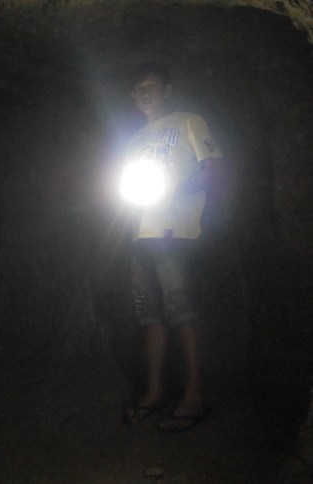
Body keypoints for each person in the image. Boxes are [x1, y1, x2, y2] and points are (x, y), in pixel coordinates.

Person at [121, 62, 225, 432]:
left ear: (167, 90)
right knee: (150, 316)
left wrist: (172, 192)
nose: (145, 93)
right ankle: (154, 391)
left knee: (183, 313)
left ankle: (194, 396)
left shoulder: (189, 122)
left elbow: (213, 171)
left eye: (151, 87)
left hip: (177, 233)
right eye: (139, 89)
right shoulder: (133, 140)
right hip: (141, 234)